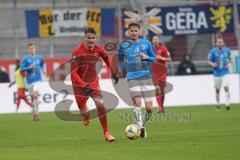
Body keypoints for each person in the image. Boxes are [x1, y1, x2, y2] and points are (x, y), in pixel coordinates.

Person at [71, 27, 118, 142]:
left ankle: (106, 132)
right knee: (84, 112)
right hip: (79, 83)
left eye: (93, 38)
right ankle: (86, 116)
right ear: (84, 38)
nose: (91, 40)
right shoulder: (77, 52)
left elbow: (107, 59)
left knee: (100, 103)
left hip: (92, 80)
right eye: (89, 38)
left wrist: (113, 72)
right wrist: (83, 84)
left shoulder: (98, 49)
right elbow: (73, 73)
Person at [117, 22, 156, 138]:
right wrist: (120, 68)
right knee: (138, 103)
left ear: (139, 32)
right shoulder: (124, 46)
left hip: (146, 77)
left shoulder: (146, 43)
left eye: (136, 30)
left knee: (149, 109)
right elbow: (120, 59)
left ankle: (142, 125)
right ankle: (139, 129)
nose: (134, 32)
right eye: (131, 31)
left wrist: (147, 57)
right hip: (132, 77)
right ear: (128, 32)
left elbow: (154, 59)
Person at [20, 42, 46, 121]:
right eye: (30, 48)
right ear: (28, 50)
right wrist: (28, 67)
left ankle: (37, 114)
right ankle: (36, 113)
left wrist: (43, 70)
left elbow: (42, 64)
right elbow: (21, 69)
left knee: (35, 95)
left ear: (35, 49)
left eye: (33, 48)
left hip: (38, 80)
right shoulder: (25, 58)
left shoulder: (39, 57)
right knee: (34, 98)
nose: (32, 50)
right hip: (29, 81)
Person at [208, 37, 232, 111]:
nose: (220, 43)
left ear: (223, 43)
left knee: (226, 86)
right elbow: (209, 61)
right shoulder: (213, 51)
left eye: (221, 42)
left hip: (225, 72)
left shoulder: (227, 50)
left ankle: (227, 103)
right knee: (217, 90)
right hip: (217, 73)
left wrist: (229, 65)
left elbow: (230, 59)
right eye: (218, 42)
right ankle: (218, 104)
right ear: (216, 43)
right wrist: (212, 64)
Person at [151, 35, 171, 113]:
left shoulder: (163, 48)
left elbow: (169, 59)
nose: (155, 40)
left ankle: (162, 106)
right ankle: (159, 107)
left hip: (162, 72)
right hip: (154, 72)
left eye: (156, 39)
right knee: (157, 88)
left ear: (159, 40)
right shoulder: (150, 49)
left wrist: (162, 58)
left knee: (162, 90)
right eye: (153, 39)